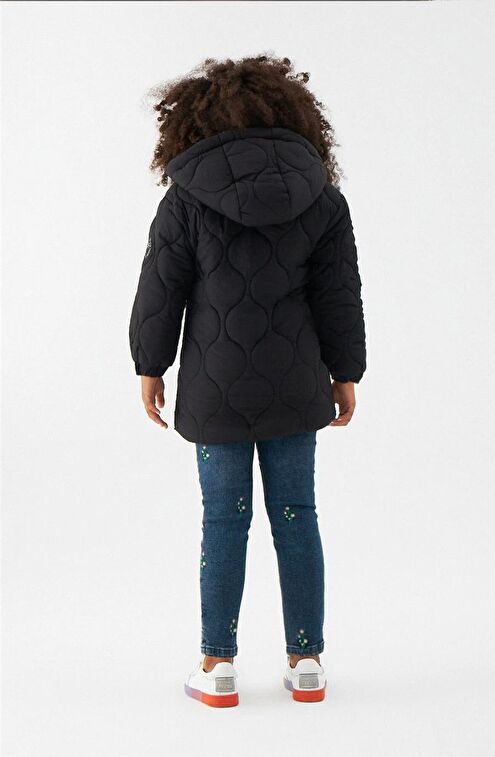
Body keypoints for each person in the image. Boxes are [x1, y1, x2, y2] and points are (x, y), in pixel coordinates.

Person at [129, 54, 366, 707]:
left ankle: (217, 665)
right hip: (297, 384)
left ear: (195, 121)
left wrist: (150, 364)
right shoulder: (322, 197)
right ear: (295, 117)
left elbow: (159, 290)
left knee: (223, 521)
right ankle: (307, 661)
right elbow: (338, 295)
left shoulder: (186, 198)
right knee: (297, 516)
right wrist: (345, 372)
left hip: (213, 389)